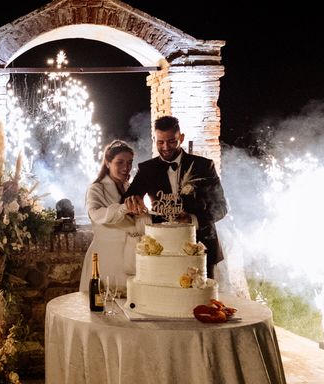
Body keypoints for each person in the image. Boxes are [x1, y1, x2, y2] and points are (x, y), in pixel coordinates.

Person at [123, 116, 228, 278]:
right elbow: (127, 199)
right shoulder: (147, 169)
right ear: (154, 139)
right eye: (160, 142)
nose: (166, 147)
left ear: (182, 138)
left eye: (172, 141)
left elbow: (221, 207)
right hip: (163, 248)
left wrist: (192, 219)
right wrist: (131, 202)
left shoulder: (204, 166)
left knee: (201, 299)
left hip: (200, 246)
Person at [79, 140, 149, 294]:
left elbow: (137, 223)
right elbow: (96, 214)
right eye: (120, 162)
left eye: (130, 163)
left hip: (130, 258)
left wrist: (143, 213)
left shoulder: (130, 188)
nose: (126, 167)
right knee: (104, 307)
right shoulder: (96, 188)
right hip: (106, 257)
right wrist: (124, 208)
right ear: (108, 162)